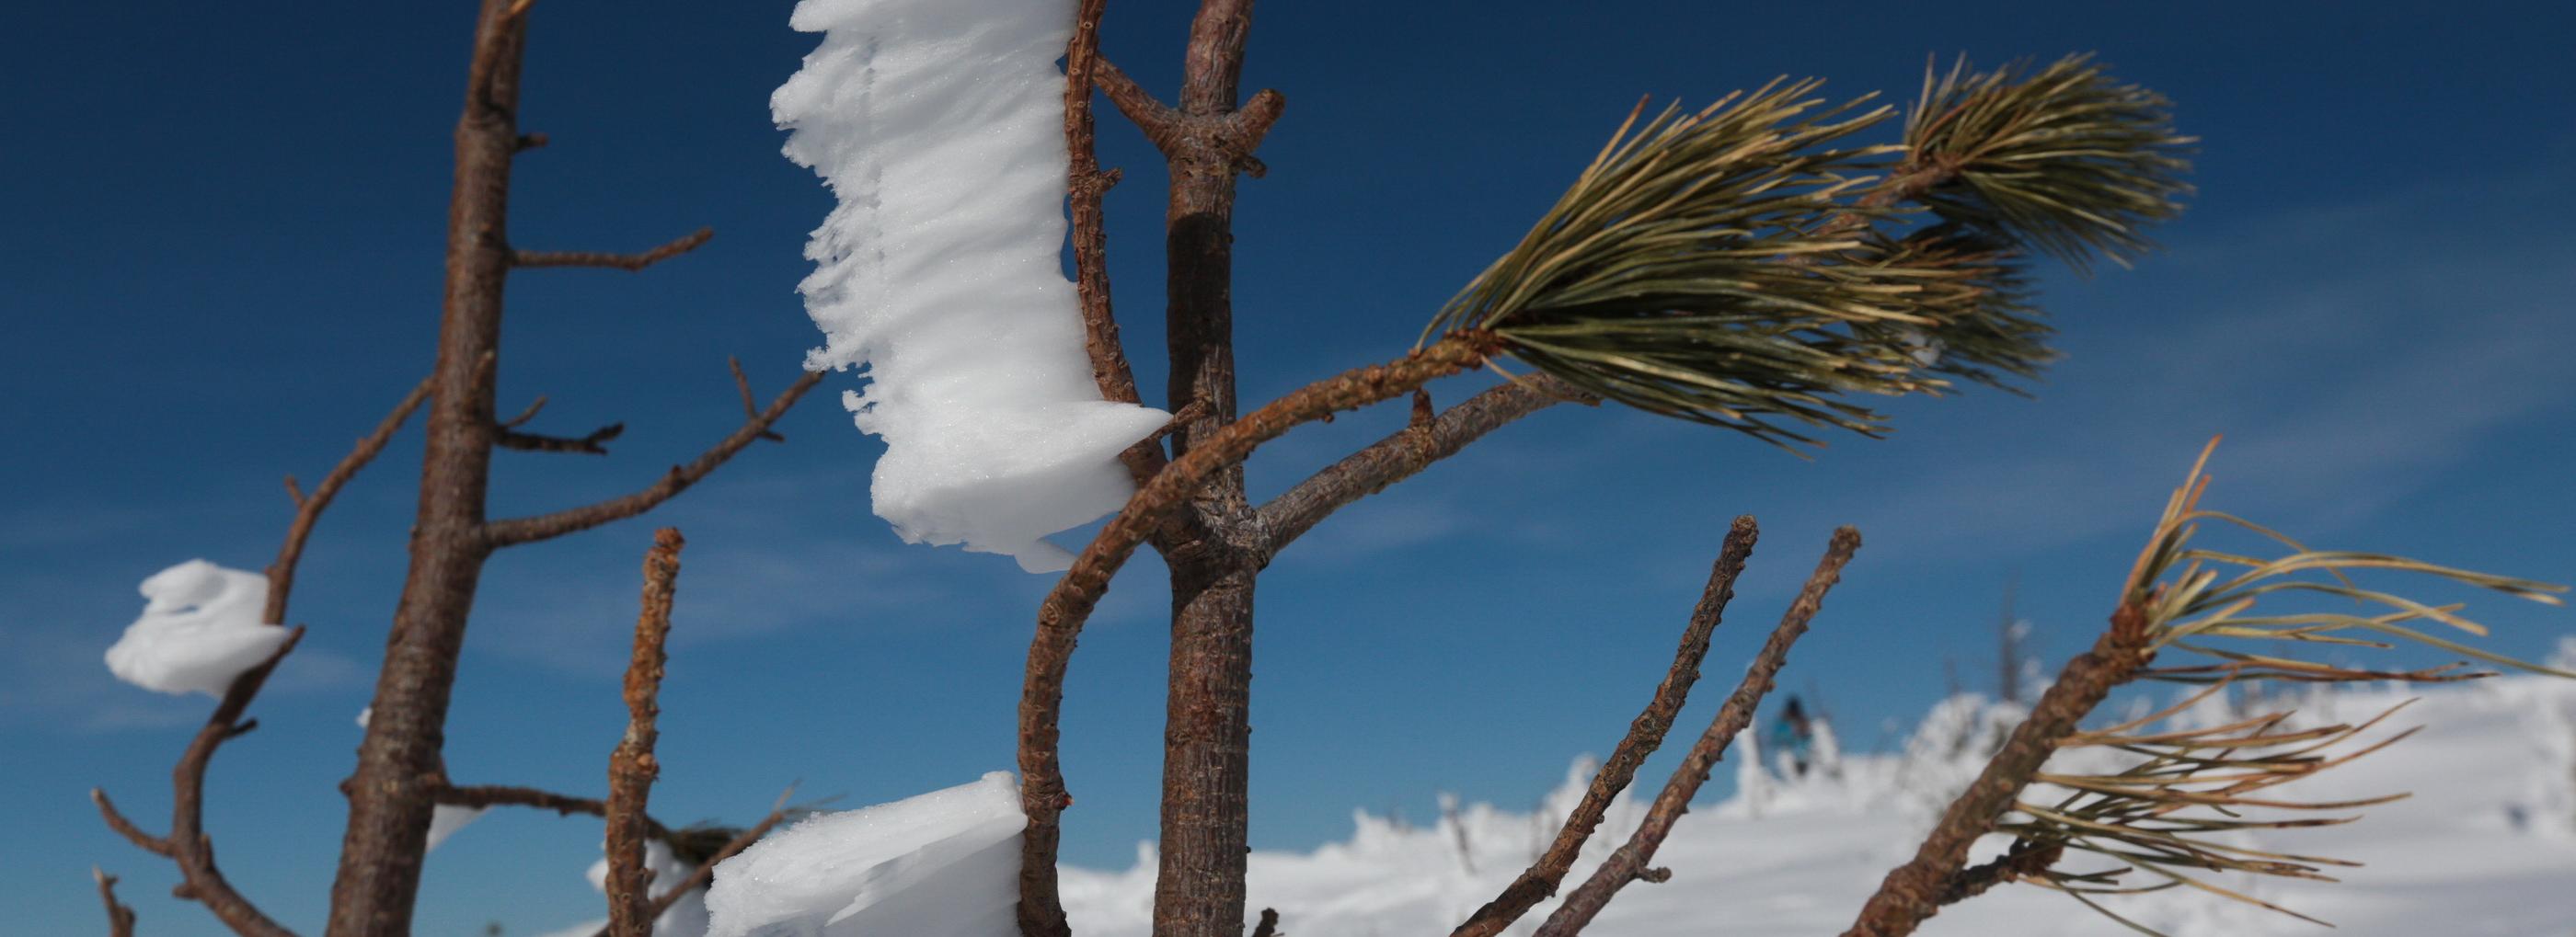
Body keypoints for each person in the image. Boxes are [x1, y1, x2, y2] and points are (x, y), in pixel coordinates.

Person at [1768, 695, 1815, 778]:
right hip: (1788, 758)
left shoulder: (1803, 721)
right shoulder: (1783, 721)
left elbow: (1809, 739)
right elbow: (1777, 738)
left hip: (1802, 758)